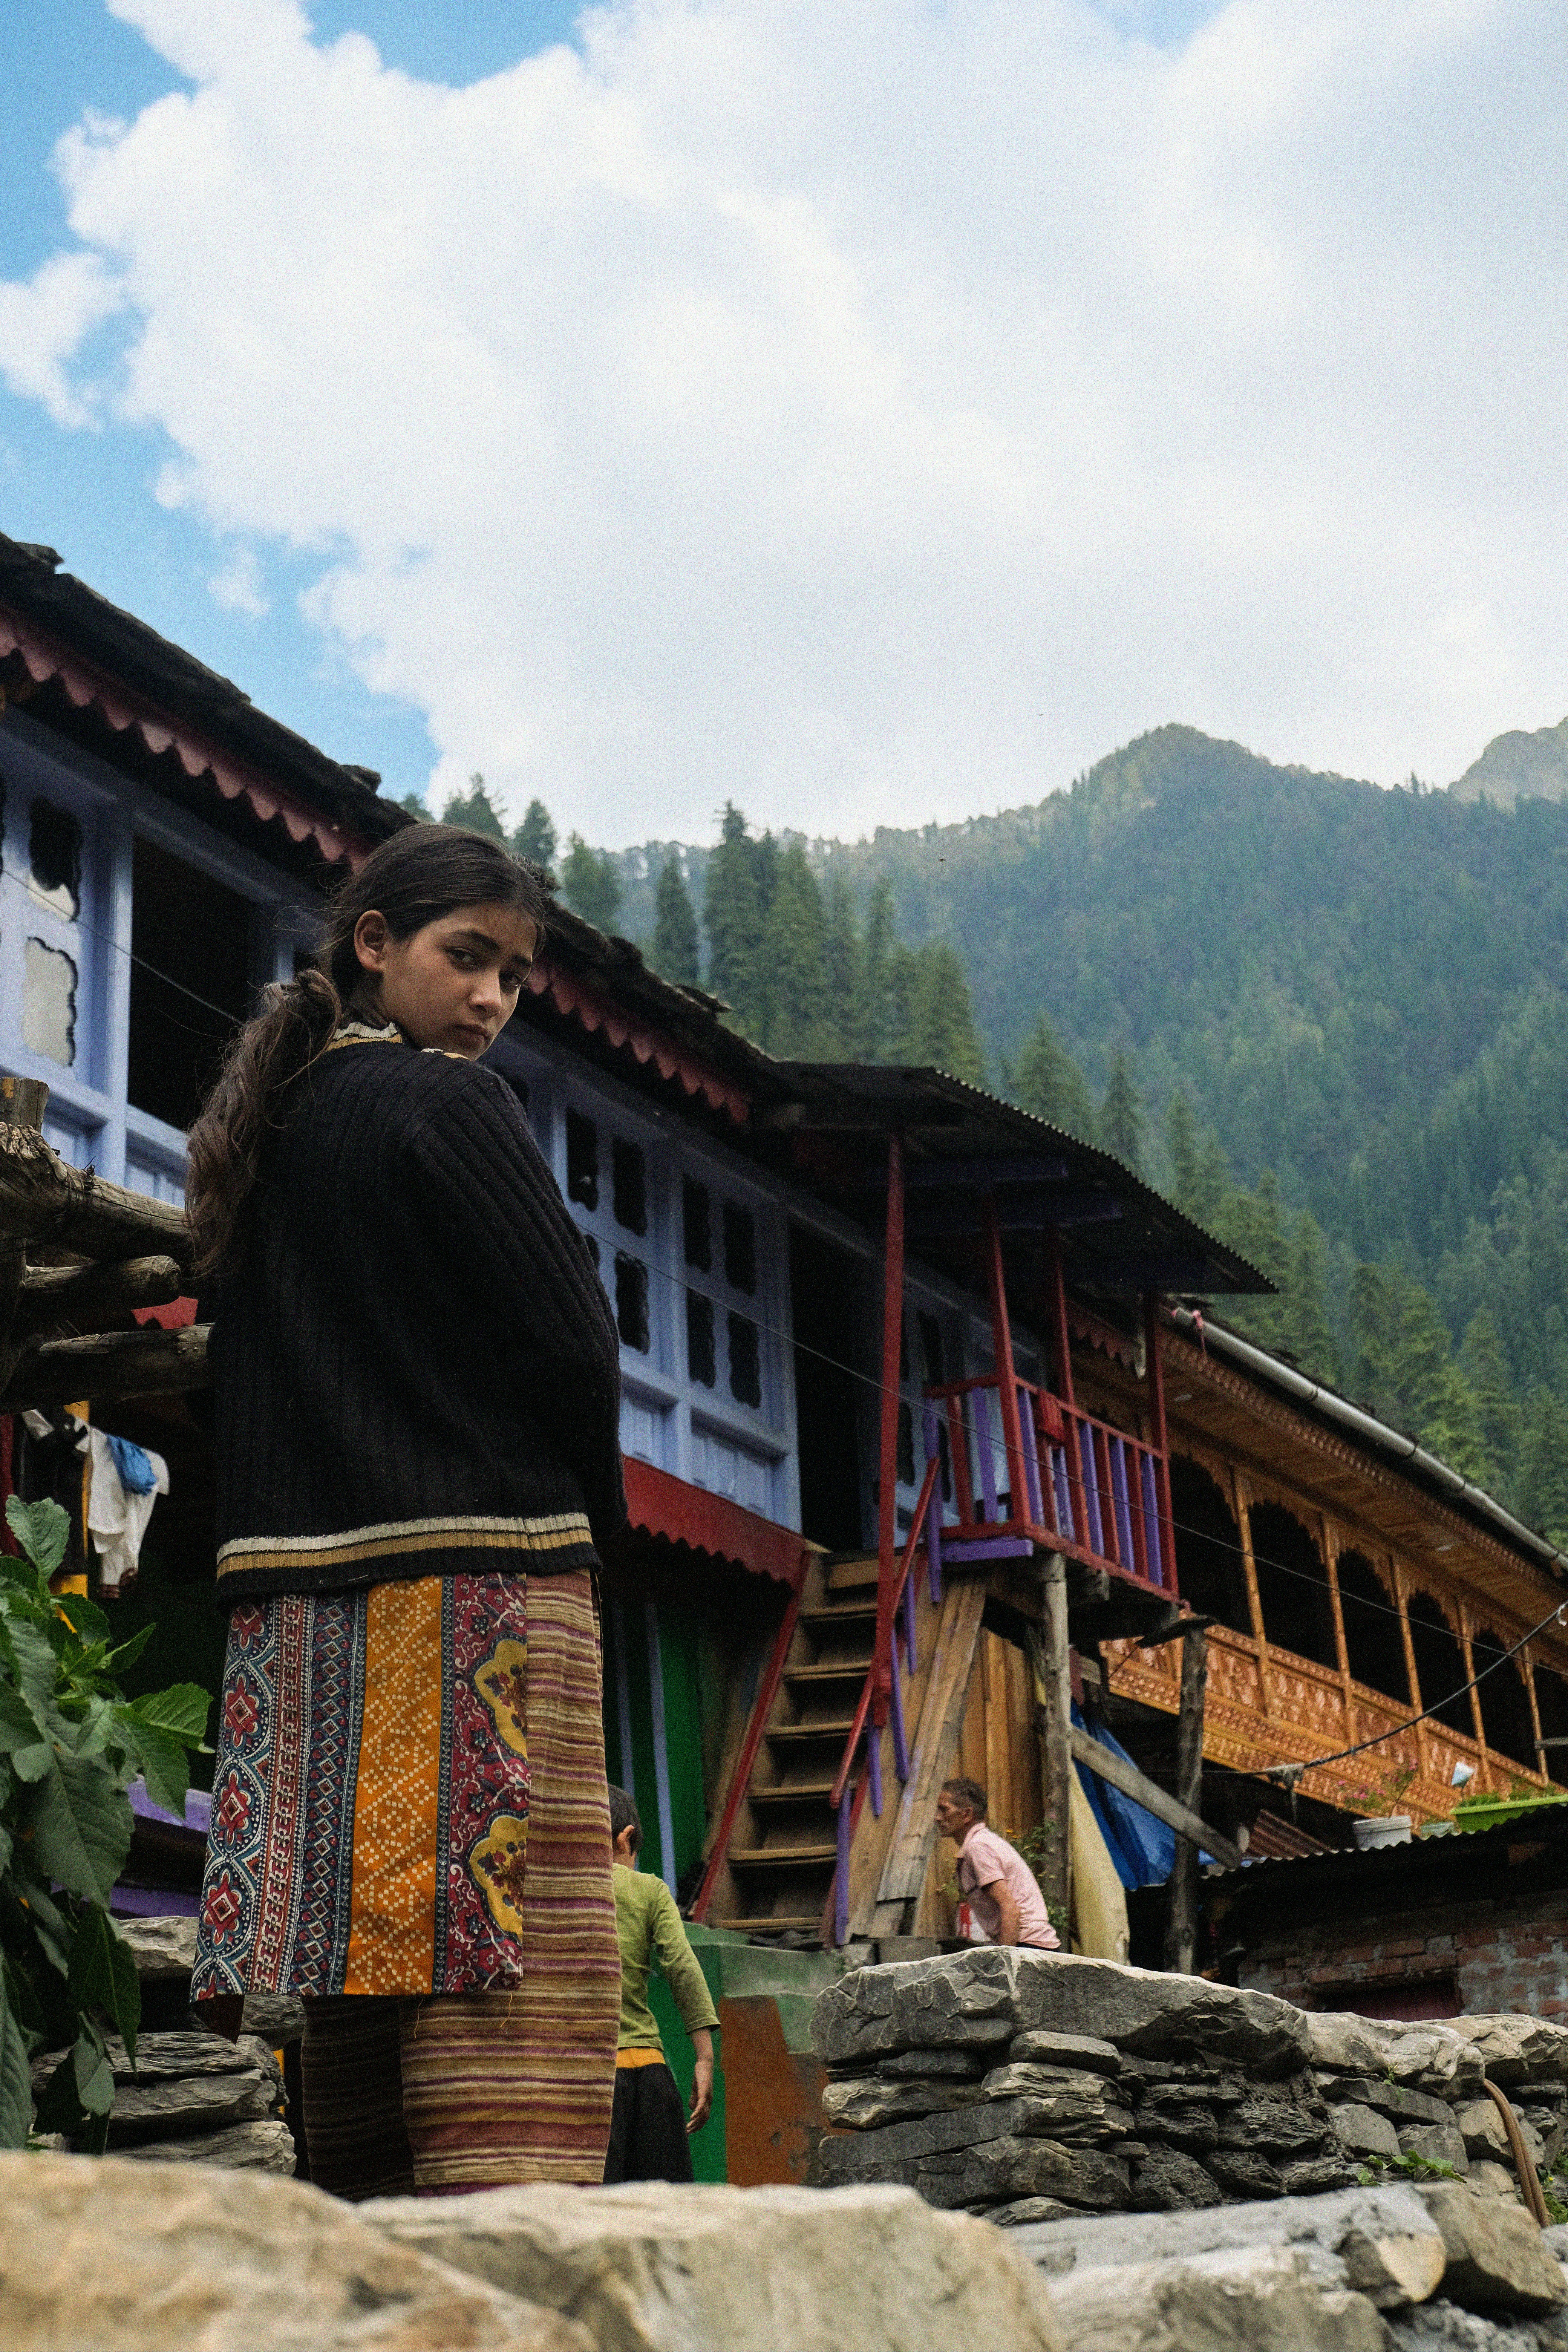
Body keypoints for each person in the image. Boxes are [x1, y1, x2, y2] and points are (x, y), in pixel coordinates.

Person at [185, 823, 626, 2199]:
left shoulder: (272, 1130)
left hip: (298, 1619)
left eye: (513, 973)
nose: (493, 996)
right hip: (481, 1590)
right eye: (467, 957)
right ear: (374, 946)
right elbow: (574, 1342)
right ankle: (506, 2277)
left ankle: (366, 2269)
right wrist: (586, 1528)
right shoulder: (449, 1109)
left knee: (359, 1956)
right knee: (511, 1962)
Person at [604, 1786, 718, 2184]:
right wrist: (704, 2058)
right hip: (648, 2075)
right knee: (667, 2213)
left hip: (588, 2081)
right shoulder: (648, 1889)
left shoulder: (554, 1892)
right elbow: (682, 1968)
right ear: (626, 1838)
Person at [936, 1777, 1061, 1951]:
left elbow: (1011, 1909)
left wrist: (1004, 1963)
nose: (937, 1818)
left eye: (944, 1810)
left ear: (966, 1815)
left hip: (1029, 1946)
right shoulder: (982, 1842)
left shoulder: (978, 1848)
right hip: (1031, 1945)